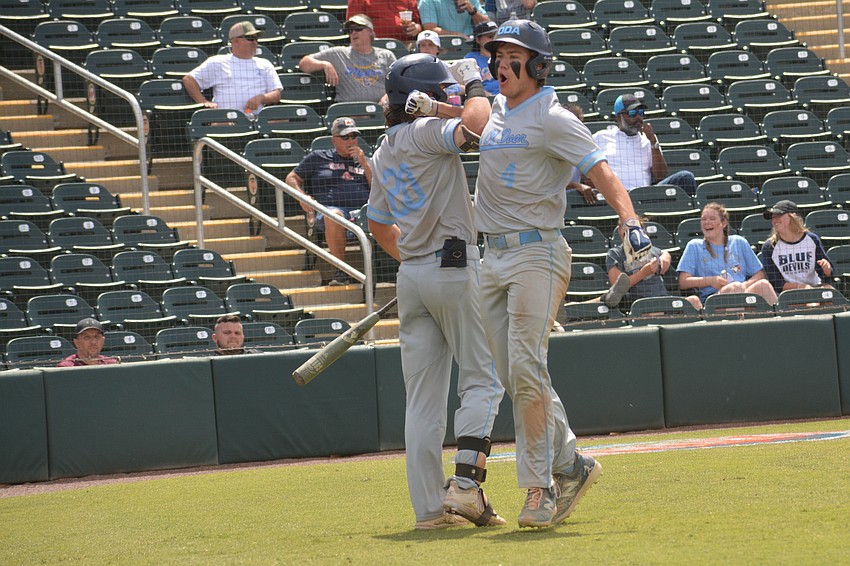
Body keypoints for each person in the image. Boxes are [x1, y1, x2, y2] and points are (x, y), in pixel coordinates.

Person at [474, 20, 652, 528]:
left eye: (513, 55)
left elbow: (603, 172)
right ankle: (573, 465)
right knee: (515, 375)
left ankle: (539, 489)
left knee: (526, 368)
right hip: (493, 257)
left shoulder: (554, 116)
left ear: (538, 64)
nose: (501, 63)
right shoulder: (500, 110)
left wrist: (631, 220)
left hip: (538, 252)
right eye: (498, 54)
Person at [366, 53, 506, 529]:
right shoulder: (425, 133)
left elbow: (379, 225)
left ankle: (429, 512)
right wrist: (473, 84)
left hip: (414, 277)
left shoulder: (383, 148)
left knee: (422, 402)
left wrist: (414, 263)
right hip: (453, 267)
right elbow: (479, 126)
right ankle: (466, 488)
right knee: (483, 379)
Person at [285, 117, 372, 286]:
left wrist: (364, 164)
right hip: (331, 212)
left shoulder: (366, 160)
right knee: (334, 215)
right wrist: (301, 196)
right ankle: (342, 271)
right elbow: (292, 177)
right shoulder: (318, 158)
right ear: (334, 140)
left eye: (354, 136)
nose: (351, 141)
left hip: (363, 212)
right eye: (345, 137)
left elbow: (379, 188)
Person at [590, 94, 697, 196]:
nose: (638, 117)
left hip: (646, 195)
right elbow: (585, 171)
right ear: (618, 117)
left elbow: (660, 175)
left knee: (685, 177)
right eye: (632, 113)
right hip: (617, 196)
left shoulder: (648, 139)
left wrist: (653, 142)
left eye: (640, 112)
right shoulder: (601, 138)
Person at [677, 202, 778, 304]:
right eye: (703, 219)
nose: (707, 222)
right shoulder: (694, 246)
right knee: (734, 287)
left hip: (742, 290)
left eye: (712, 219)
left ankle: (780, 316)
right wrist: (710, 281)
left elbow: (759, 274)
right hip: (713, 299)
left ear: (724, 223)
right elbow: (683, 281)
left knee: (763, 285)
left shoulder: (739, 242)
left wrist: (744, 286)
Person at [182, 21, 282, 116]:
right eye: (250, 38)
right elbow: (189, 79)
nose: (255, 43)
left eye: (256, 39)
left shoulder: (265, 64)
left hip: (258, 117)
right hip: (227, 118)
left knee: (282, 120)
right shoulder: (218, 62)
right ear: (235, 41)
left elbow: (276, 94)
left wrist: (261, 98)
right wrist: (203, 101)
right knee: (218, 124)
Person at [606, 218, 703, 311]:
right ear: (619, 230)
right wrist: (642, 273)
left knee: (694, 301)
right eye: (626, 230)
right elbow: (616, 286)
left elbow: (663, 253)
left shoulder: (650, 250)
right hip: (641, 304)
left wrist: (666, 255)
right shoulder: (615, 254)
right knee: (655, 310)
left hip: (665, 299)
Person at [297, 14, 396, 104]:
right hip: (350, 112)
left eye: (358, 29)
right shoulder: (338, 54)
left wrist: (387, 96)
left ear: (370, 31)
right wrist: (325, 65)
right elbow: (304, 64)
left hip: (382, 110)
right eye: (350, 30)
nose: (353, 33)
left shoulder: (386, 55)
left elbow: (398, 83)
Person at [761, 200, 834, 293]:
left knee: (831, 294)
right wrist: (801, 286)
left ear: (793, 216)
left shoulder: (812, 239)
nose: (774, 220)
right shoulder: (769, 247)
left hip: (815, 287)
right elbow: (776, 283)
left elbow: (825, 275)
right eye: (773, 217)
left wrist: (827, 269)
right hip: (789, 294)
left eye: (778, 215)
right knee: (812, 304)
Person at [345, 0, 422, 42]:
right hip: (375, 47)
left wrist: (416, 28)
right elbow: (352, 27)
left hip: (406, 46)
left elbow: (418, 24)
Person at [463, 21, 499, 96]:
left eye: (496, 35)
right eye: (490, 36)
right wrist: (482, 94)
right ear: (478, 40)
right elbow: (463, 85)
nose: (494, 39)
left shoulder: (504, 55)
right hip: (484, 99)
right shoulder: (471, 58)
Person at [419, 0, 490, 39]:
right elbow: (430, 29)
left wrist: (473, 11)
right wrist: (458, 35)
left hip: (471, 45)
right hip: (443, 46)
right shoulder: (428, 2)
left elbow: (487, 26)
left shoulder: (471, 1)